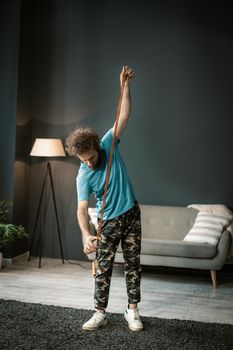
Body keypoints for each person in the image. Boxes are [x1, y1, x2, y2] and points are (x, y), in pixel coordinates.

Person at [65, 66, 143, 332]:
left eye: (90, 157)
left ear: (96, 147)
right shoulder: (83, 174)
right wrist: (86, 235)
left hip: (131, 214)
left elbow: (124, 114)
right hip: (107, 221)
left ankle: (132, 310)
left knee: (133, 265)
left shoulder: (109, 144)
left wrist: (125, 87)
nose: (87, 162)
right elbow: (81, 209)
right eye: (82, 159)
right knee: (103, 269)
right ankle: (100, 312)